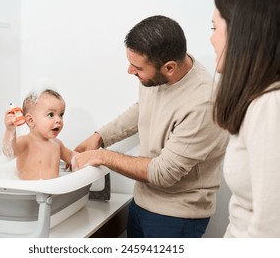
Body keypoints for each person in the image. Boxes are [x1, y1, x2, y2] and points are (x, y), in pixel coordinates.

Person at [73, 15, 229, 238]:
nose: (129, 70)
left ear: (169, 67)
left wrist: (103, 156)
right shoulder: (158, 76)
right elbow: (142, 108)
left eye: (136, 67)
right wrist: (100, 136)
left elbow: (163, 173)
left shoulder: (204, 103)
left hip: (176, 218)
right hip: (141, 204)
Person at [210, 0, 280, 237]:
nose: (211, 38)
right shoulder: (258, 103)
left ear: (241, 33)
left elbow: (271, 230)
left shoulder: (270, 107)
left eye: (214, 27)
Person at [3, 89, 76, 180]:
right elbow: (9, 153)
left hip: (54, 190)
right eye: (51, 115)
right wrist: (10, 131)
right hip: (30, 191)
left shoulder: (57, 144)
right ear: (31, 120)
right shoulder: (26, 142)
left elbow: (73, 157)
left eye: (61, 114)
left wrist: (91, 157)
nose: (59, 120)